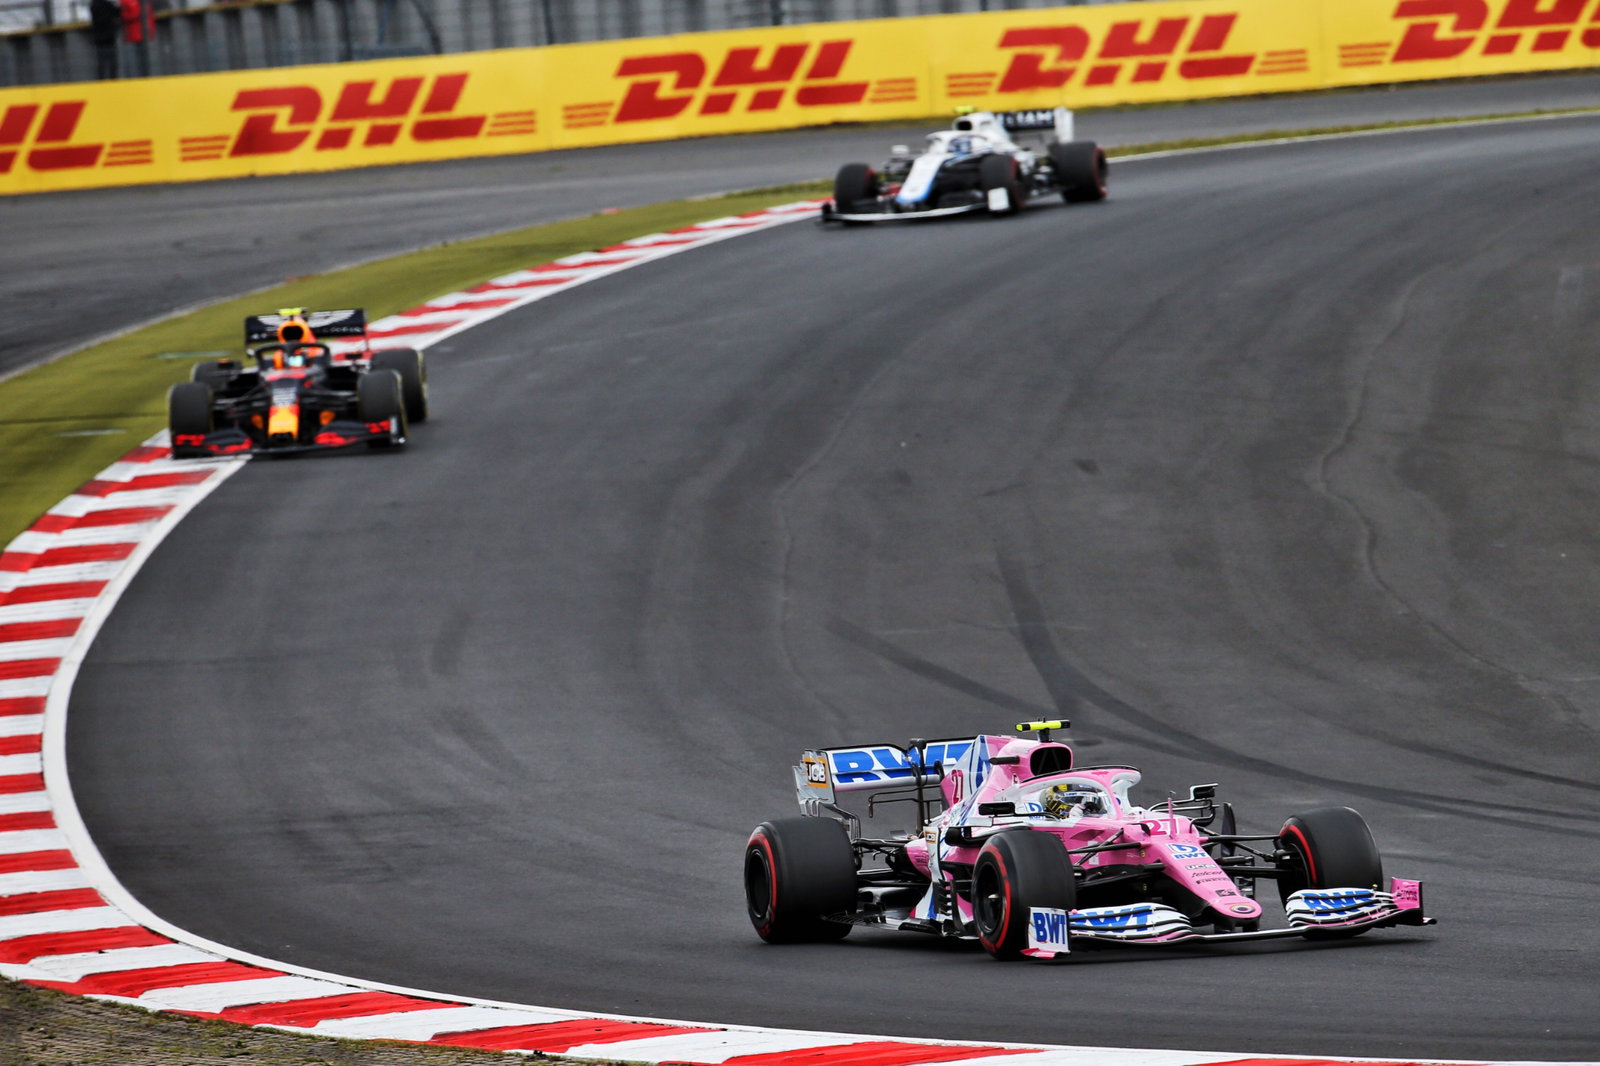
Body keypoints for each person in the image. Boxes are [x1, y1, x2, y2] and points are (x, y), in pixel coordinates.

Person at [120, 0, 151, 77]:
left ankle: (141, 76)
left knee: (139, 58)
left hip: (137, 33)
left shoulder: (130, 2)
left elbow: (131, 14)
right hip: (135, 34)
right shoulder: (130, 2)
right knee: (136, 59)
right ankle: (140, 76)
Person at [89, 0, 119, 79]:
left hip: (98, 37)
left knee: (101, 61)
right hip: (109, 37)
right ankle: (113, 79)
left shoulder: (93, 5)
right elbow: (118, 13)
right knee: (112, 60)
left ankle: (101, 79)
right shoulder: (107, 5)